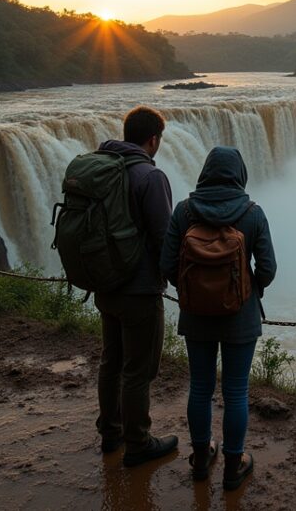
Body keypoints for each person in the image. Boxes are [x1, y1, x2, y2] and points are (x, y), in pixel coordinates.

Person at [160, 146, 277, 491]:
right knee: (236, 390)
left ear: (206, 171)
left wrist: (192, 292)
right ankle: (233, 465)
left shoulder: (184, 212)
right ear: (239, 174)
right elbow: (268, 268)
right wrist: (248, 288)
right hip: (241, 317)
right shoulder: (253, 214)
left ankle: (200, 459)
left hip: (196, 315)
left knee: (200, 387)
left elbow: (167, 264)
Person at [95, 105, 178, 466]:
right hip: (139, 289)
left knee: (111, 361)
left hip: (105, 282)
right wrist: (180, 283)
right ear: (153, 139)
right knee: (138, 369)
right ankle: (138, 443)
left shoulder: (102, 166)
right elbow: (165, 238)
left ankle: (110, 434)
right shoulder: (150, 176)